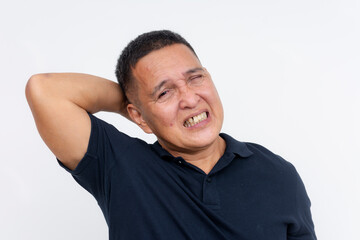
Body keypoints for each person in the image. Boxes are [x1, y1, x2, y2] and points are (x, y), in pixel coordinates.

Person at [25, 30, 316, 239]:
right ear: (138, 115)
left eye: (195, 78)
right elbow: (45, 91)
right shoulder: (121, 166)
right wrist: (141, 111)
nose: (190, 99)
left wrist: (154, 105)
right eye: (165, 92)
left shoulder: (278, 174)